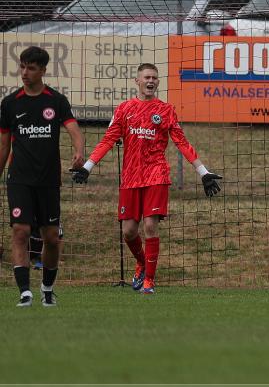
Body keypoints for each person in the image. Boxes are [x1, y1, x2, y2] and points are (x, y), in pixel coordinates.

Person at [70, 63, 222, 295]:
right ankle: (142, 262)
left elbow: (181, 142)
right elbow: (108, 140)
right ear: (137, 81)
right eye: (147, 77)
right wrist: (88, 167)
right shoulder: (124, 109)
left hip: (156, 174)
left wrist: (203, 172)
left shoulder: (166, 110)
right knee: (129, 232)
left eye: (154, 78)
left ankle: (149, 281)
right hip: (131, 177)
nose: (151, 81)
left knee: (150, 226)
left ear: (157, 82)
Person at [0, 46, 84, 307]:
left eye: (31, 68)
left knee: (51, 238)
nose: (25, 72)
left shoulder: (56, 100)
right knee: (20, 231)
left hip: (48, 180)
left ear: (43, 70)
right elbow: (3, 145)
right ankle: (25, 292)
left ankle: (47, 288)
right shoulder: (10, 103)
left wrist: (79, 151)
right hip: (19, 179)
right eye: (22, 67)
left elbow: (74, 129)